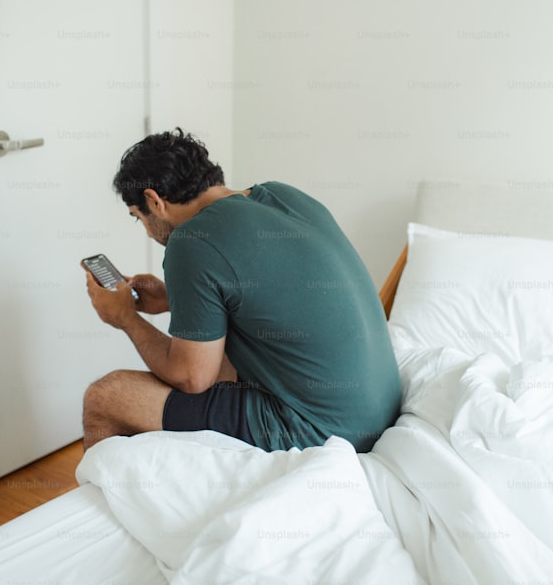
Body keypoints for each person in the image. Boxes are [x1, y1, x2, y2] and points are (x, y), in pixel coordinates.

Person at [81, 128, 401, 453]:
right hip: (377, 410)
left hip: (321, 431)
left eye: (140, 218)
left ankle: (115, 501)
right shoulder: (283, 196)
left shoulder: (191, 240)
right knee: (222, 360)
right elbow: (268, 293)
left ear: (154, 200)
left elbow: (191, 378)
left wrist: (125, 318)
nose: (148, 232)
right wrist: (170, 297)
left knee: (105, 396)